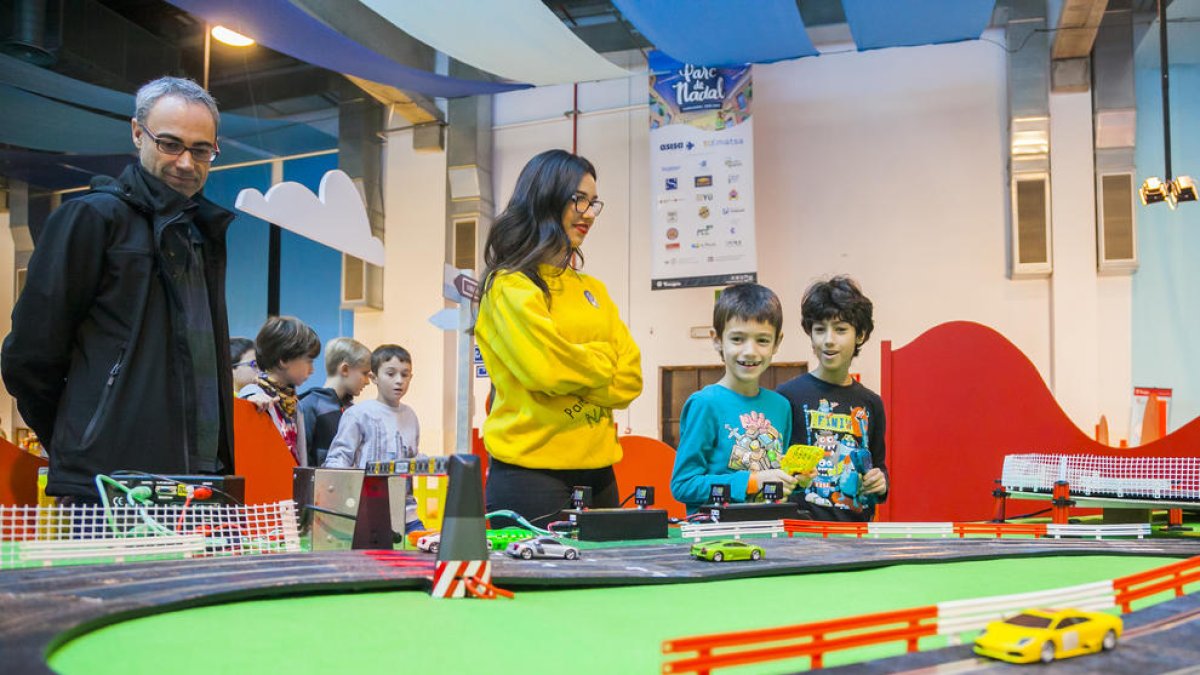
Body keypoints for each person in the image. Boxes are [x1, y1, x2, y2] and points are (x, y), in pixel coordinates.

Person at [1, 76, 234, 502]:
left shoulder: (203, 236)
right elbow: (29, 357)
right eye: (170, 144)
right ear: (137, 133)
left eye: (201, 150)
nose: (185, 162)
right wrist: (83, 441)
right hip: (109, 486)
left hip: (202, 486)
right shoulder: (92, 219)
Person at [473, 149, 642, 526]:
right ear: (544, 198)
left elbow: (630, 378)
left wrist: (573, 368)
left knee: (609, 585)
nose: (588, 213)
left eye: (593, 202)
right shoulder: (508, 286)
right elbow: (545, 370)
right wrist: (602, 359)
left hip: (600, 474)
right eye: (577, 199)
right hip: (529, 474)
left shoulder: (593, 289)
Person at [670, 284, 796, 513]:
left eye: (763, 340)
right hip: (718, 536)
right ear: (717, 339)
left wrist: (795, 481)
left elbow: (775, 476)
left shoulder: (781, 406)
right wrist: (752, 481)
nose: (750, 351)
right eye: (737, 339)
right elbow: (683, 485)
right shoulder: (705, 403)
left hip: (771, 534)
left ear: (777, 343)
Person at [777, 276, 889, 521]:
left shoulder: (871, 403)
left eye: (840, 330)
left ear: (859, 335)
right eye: (820, 329)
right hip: (800, 536)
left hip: (857, 534)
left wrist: (880, 483)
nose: (828, 339)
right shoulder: (786, 397)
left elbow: (878, 465)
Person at [322, 344, 423, 533]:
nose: (399, 381)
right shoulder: (358, 414)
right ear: (374, 377)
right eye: (391, 374)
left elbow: (412, 457)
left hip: (406, 513)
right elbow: (338, 459)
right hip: (364, 511)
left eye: (405, 374)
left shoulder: (411, 416)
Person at [239, 316, 320, 466]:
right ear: (283, 359)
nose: (312, 369)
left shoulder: (294, 403)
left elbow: (300, 460)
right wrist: (252, 401)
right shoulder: (253, 395)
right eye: (308, 361)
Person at [299, 337, 372, 466]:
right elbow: (301, 460)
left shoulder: (353, 411)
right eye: (364, 373)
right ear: (344, 370)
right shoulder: (309, 405)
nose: (367, 381)